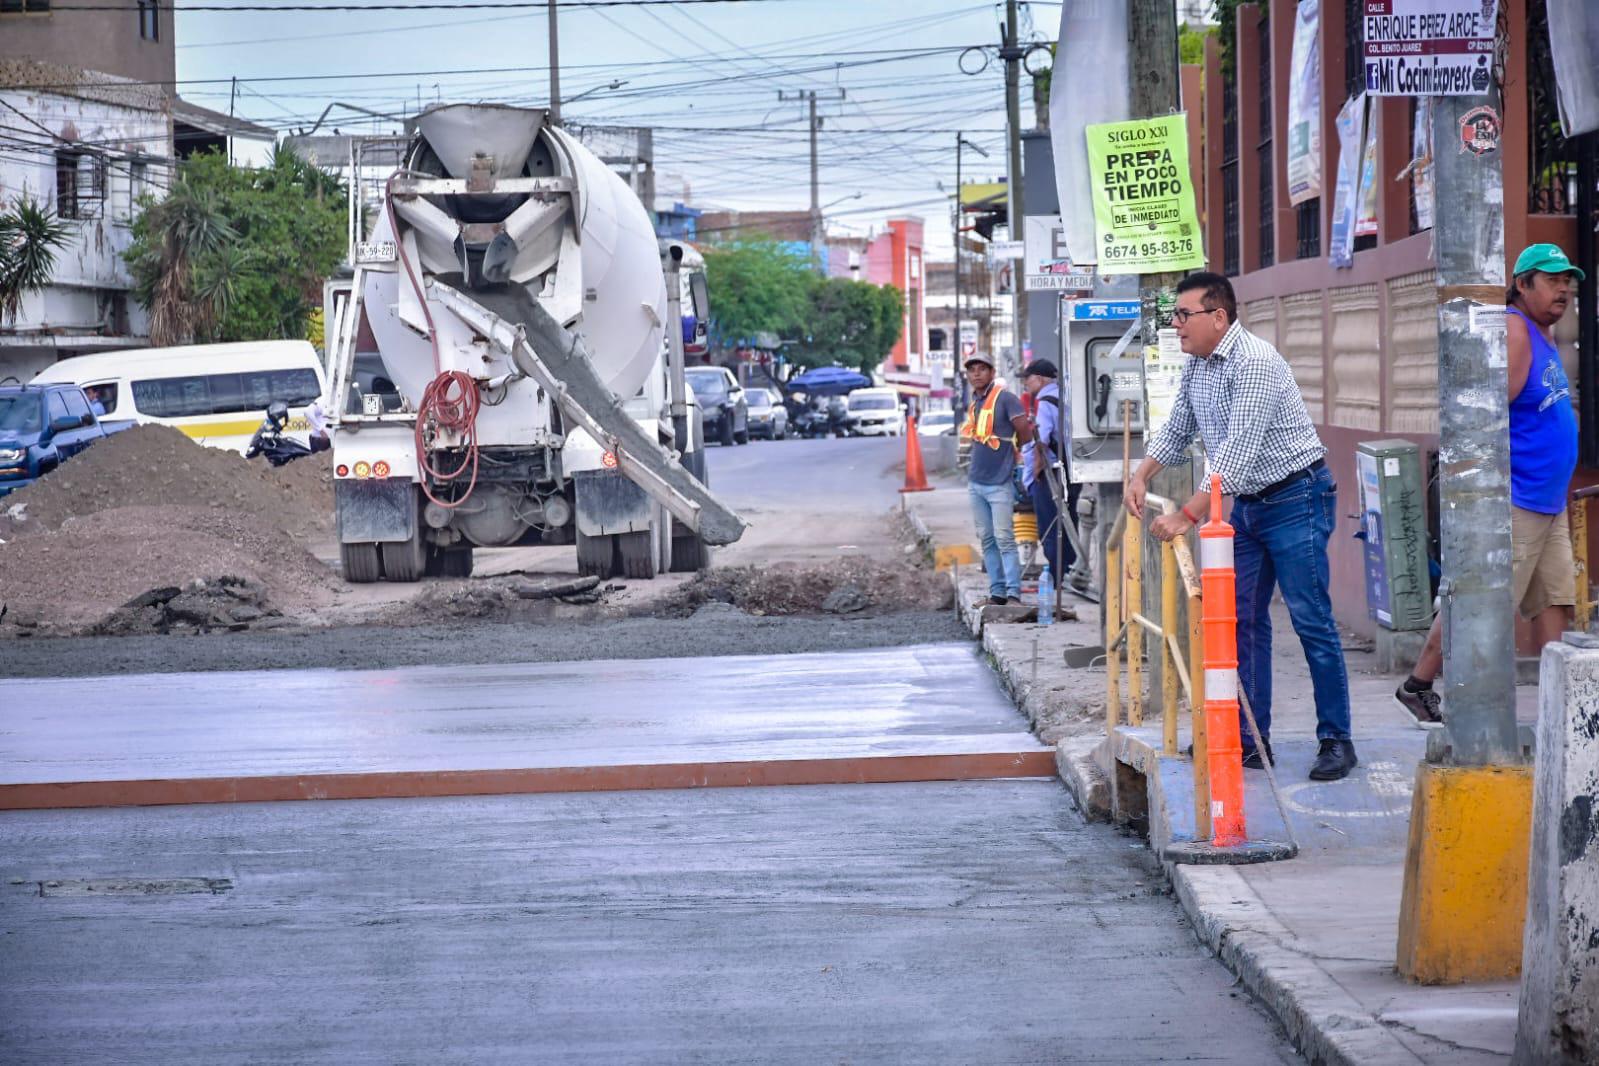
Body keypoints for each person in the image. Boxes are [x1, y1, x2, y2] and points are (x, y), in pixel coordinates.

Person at [1127, 272, 1357, 782]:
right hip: (1248, 506)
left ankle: (1336, 740)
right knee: (1242, 621)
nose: (1176, 325)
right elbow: (1178, 427)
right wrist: (1141, 474)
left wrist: (1185, 516)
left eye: (1184, 315)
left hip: (1297, 496)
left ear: (1218, 317)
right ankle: (1251, 741)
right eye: (1174, 316)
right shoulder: (1197, 366)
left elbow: (1236, 455)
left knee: (1311, 619)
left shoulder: (1254, 362)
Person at [1394, 243, 1582, 727]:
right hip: (1518, 500)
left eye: (1567, 281)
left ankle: (1560, 706)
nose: (1563, 289)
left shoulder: (1544, 332)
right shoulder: (1517, 331)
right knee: (1483, 605)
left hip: (1547, 500)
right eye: (1551, 279)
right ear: (1522, 284)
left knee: (1556, 599)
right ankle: (1419, 684)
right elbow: (1489, 417)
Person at [961, 353, 1034, 606]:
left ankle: (1013, 593)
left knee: (1004, 539)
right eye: (972, 370)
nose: (977, 374)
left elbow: (1024, 429)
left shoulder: (1006, 399)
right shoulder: (975, 402)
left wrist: (1016, 453)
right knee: (987, 539)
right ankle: (997, 593)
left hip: (999, 482)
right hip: (976, 482)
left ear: (992, 373)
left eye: (982, 369)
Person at [1019, 358, 1081, 578]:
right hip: (1071, 470)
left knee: (1050, 525)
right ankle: (1071, 570)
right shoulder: (1065, 396)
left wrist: (1035, 471)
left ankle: (1058, 574)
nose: (1025, 383)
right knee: (1070, 520)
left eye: (1027, 379)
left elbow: (1041, 440)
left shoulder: (1044, 400)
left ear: (1039, 378)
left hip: (1051, 473)